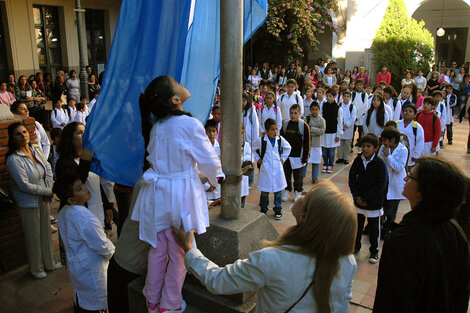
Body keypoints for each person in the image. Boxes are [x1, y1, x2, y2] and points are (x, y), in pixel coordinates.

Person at [174, 180, 358, 313]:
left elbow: (219, 281)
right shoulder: (347, 261)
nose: (302, 193)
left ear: (304, 217)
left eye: (307, 196)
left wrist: (190, 248)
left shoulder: (272, 259)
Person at [130, 76, 223, 313]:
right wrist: (217, 177)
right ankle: (169, 303)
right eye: (178, 84)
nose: (183, 84)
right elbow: (208, 158)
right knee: (181, 251)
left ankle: (151, 298)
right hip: (181, 194)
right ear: (175, 99)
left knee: (158, 250)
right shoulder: (190, 125)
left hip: (157, 194)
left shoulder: (158, 127)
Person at [373, 157, 470, 313]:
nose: (405, 178)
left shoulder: (403, 240)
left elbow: (391, 300)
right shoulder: (455, 231)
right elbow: (461, 294)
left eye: (411, 176)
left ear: (424, 191)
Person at [5, 122, 61, 278]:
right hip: (28, 202)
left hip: (43, 198)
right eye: (18, 134)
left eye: (24, 132)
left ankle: (49, 263)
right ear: (12, 138)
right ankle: (36, 268)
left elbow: (47, 168)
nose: (23, 135)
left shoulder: (35, 149)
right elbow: (24, 185)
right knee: (33, 236)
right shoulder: (13, 159)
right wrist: (46, 191)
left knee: (45, 232)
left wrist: (49, 188)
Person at [54, 174, 115, 313]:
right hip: (92, 270)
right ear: (71, 199)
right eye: (80, 188)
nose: (86, 189)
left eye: (83, 184)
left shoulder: (64, 212)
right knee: (95, 304)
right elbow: (102, 246)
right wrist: (114, 254)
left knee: (82, 300)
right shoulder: (84, 217)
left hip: (78, 268)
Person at [348, 133, 387, 264]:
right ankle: (355, 247)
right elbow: (352, 179)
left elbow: (380, 185)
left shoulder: (380, 164)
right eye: (363, 146)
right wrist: (356, 196)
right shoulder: (359, 160)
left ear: (376, 148)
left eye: (368, 146)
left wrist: (366, 198)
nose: (365, 149)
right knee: (357, 227)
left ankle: (374, 251)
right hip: (359, 202)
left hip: (373, 202)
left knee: (374, 229)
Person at [253, 118, 291, 220]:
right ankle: (263, 209)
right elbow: (252, 148)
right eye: (272, 130)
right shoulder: (261, 141)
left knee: (278, 192)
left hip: (278, 169)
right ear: (266, 131)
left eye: (276, 129)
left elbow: (288, 148)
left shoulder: (280, 140)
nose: (275, 132)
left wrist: (283, 158)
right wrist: (257, 158)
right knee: (264, 192)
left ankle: (278, 209)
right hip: (266, 169)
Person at [378, 128, 408, 235]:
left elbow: (399, 168)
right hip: (385, 181)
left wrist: (388, 156)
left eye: (385, 140)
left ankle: (388, 229)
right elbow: (380, 162)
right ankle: (380, 226)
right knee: (382, 206)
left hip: (395, 183)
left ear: (393, 140)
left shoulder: (403, 150)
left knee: (392, 209)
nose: (383, 143)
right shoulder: (383, 147)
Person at [280, 104, 310, 202]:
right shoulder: (285, 124)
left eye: (295, 113)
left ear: (300, 114)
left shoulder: (304, 126)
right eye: (291, 113)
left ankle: (298, 191)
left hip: (298, 156)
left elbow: (307, 142)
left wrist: (305, 157)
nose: (293, 115)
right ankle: (287, 190)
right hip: (287, 156)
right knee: (286, 174)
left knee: (298, 176)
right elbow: (281, 140)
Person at [10, 100, 50, 167]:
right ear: (14, 112)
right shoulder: (14, 129)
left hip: (42, 161)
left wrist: (44, 159)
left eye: (27, 109)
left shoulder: (36, 124)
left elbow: (46, 143)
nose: (26, 111)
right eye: (23, 109)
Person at [321, 88, 343, 174]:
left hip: (333, 132)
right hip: (325, 131)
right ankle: (325, 164)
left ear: (335, 97)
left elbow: (340, 122)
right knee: (324, 150)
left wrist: (339, 134)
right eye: (327, 96)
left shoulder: (338, 108)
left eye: (330, 96)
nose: (328, 98)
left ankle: (330, 165)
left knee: (332, 151)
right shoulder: (324, 105)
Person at [305, 102, 325, 184]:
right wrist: (316, 130)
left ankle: (315, 177)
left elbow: (322, 131)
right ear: (310, 110)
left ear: (319, 110)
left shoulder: (322, 120)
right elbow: (305, 129)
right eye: (312, 109)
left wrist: (312, 129)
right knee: (305, 161)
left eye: (316, 109)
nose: (314, 111)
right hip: (308, 143)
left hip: (317, 144)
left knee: (316, 162)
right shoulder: (306, 118)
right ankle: (301, 176)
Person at [203, 119, 221, 204]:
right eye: (208, 131)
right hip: (205, 187)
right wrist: (206, 186)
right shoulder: (200, 148)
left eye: (214, 131)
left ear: (217, 132)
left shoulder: (220, 148)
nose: (211, 134)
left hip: (217, 187)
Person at [337, 90, 356, 165]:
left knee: (347, 144)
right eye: (344, 96)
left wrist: (346, 125)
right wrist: (341, 125)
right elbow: (337, 116)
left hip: (348, 128)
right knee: (340, 143)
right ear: (342, 97)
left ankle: (346, 158)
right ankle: (340, 157)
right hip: (340, 127)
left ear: (350, 98)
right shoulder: (339, 105)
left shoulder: (352, 107)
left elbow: (353, 118)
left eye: (348, 96)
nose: (346, 98)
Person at [351, 79, 368, 147]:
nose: (358, 86)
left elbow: (365, 106)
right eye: (357, 85)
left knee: (361, 131)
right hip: (354, 116)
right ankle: (351, 144)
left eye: (360, 85)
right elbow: (352, 104)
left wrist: (358, 116)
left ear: (363, 85)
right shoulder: (353, 93)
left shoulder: (365, 94)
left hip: (361, 116)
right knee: (352, 131)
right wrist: (354, 116)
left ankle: (360, 144)